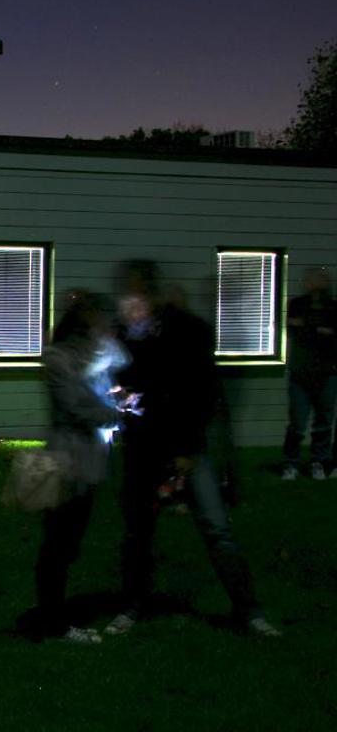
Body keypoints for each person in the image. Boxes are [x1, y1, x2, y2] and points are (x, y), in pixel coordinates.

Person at [108, 261, 280, 638]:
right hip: (143, 448)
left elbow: (199, 392)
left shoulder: (185, 330)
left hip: (186, 446)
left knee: (217, 529)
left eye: (136, 290)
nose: (131, 298)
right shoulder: (125, 333)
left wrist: (186, 447)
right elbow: (121, 380)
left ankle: (249, 611)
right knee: (138, 531)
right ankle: (134, 605)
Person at [29, 291, 126, 644]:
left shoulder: (95, 356)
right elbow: (77, 406)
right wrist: (119, 414)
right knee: (58, 542)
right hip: (65, 460)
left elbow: (111, 383)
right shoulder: (59, 359)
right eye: (100, 322)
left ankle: (53, 615)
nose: (106, 329)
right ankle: (53, 621)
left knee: (68, 543)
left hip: (86, 461)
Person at [281, 267, 337, 481]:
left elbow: (332, 338)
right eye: (311, 280)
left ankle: (319, 462)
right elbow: (295, 331)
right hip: (301, 373)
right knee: (297, 422)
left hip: (327, 373)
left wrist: (311, 329)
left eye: (319, 279)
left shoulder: (333, 307)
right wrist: (321, 331)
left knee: (323, 422)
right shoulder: (297, 304)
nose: (314, 283)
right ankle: (291, 463)